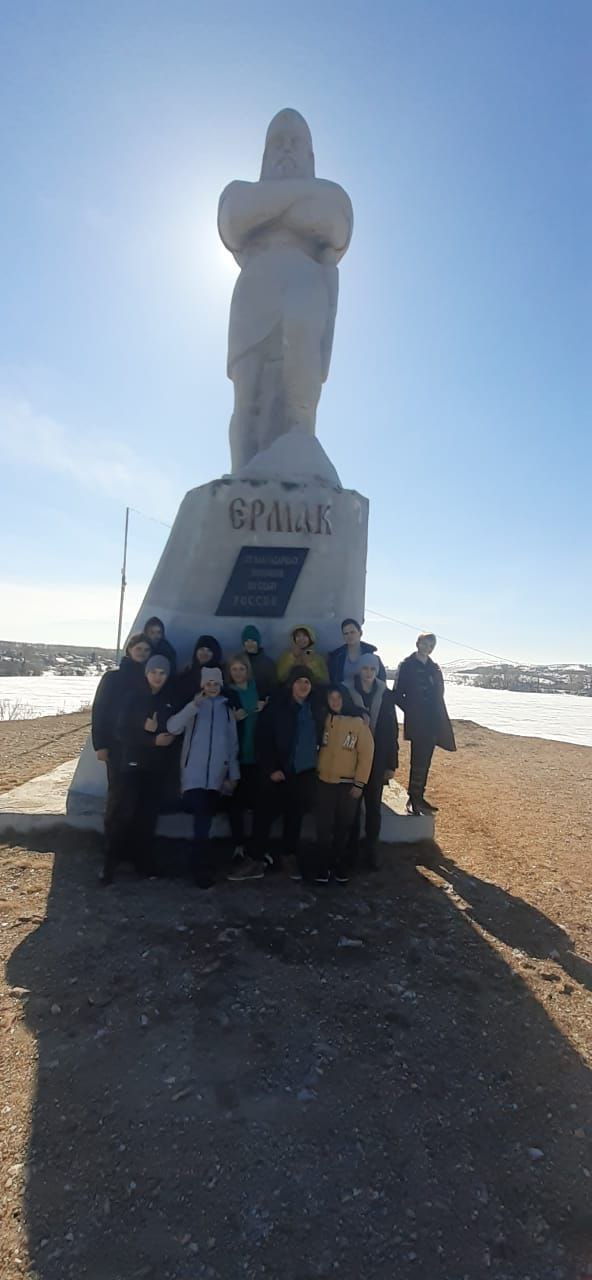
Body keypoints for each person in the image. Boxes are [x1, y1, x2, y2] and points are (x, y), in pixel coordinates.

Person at [218, 107, 354, 471]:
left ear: (311, 157)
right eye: (278, 142)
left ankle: (298, 462)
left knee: (300, 398)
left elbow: (335, 226)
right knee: (247, 400)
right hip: (252, 299)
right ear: (263, 155)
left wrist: (269, 208)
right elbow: (234, 221)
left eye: (296, 143)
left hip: (305, 291)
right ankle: (242, 482)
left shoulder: (333, 196)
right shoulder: (237, 192)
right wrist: (300, 200)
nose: (287, 149)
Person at [228, 667, 321, 883]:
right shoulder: (277, 708)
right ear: (291, 684)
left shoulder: (316, 707)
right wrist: (271, 768)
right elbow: (263, 738)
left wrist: (359, 712)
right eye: (299, 682)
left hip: (305, 772)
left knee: (295, 816)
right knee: (265, 814)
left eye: (307, 682)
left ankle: (289, 855)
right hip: (280, 771)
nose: (303, 686)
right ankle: (256, 858)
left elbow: (341, 703)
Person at [101, 655, 175, 885]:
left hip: (155, 768)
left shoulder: (168, 700)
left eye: (162, 673)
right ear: (146, 673)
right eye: (154, 672)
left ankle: (144, 862)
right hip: (132, 765)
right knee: (124, 814)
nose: (158, 677)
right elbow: (120, 732)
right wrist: (148, 734)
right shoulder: (133, 697)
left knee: (147, 816)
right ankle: (110, 864)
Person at [167, 667, 239, 888]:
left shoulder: (227, 710)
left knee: (205, 823)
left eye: (216, 684)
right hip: (194, 777)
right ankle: (199, 869)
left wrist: (233, 775)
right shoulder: (195, 708)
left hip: (216, 778)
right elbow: (173, 727)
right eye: (208, 684)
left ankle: (200, 864)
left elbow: (232, 745)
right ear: (202, 685)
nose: (213, 688)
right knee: (202, 822)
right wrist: (193, 706)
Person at [92, 633, 152, 838]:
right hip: (116, 746)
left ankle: (132, 848)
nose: (142, 654)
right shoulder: (113, 678)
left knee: (138, 799)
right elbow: (99, 710)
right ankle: (111, 848)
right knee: (118, 798)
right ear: (129, 650)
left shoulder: (149, 677)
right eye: (138, 649)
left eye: (146, 650)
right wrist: (100, 744)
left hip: (140, 746)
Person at [315, 685, 374, 884]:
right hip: (325, 782)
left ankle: (338, 864)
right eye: (331, 697)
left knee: (343, 826)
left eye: (338, 697)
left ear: (345, 698)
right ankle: (322, 865)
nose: (335, 701)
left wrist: (359, 783)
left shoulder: (358, 723)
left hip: (347, 784)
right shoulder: (323, 719)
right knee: (323, 826)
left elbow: (366, 755)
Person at [394, 633, 456, 816]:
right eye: (425, 643)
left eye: (431, 645)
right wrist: (413, 711)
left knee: (426, 760)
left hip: (433, 721)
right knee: (417, 759)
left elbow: (439, 693)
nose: (428, 647)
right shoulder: (406, 666)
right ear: (417, 643)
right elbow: (398, 695)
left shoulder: (434, 668)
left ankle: (419, 796)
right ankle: (413, 798)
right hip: (417, 722)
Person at [348, 654, 399, 868]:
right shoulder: (347, 691)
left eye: (372, 669)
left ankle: (370, 850)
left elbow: (392, 728)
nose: (368, 673)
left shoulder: (385, 694)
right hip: (352, 756)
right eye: (365, 668)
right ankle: (349, 849)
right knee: (352, 805)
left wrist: (391, 763)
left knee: (373, 805)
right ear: (358, 670)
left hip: (377, 757)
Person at [226, 653, 266, 858]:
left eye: (242, 669)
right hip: (237, 755)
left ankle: (257, 846)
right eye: (234, 669)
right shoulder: (227, 693)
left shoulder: (256, 689)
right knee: (236, 804)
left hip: (257, 754)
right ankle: (238, 844)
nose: (238, 673)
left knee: (260, 803)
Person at [328, 618, 386, 685]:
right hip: (343, 694)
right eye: (346, 633)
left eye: (352, 632)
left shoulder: (373, 659)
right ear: (343, 636)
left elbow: (381, 684)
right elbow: (332, 683)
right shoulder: (336, 658)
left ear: (360, 633)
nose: (349, 636)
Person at [173, 634, 224, 707]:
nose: (204, 653)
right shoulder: (186, 674)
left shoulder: (221, 674)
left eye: (209, 650)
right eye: (201, 649)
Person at [240, 625, 277, 700]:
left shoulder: (269, 663)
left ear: (258, 642)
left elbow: (274, 687)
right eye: (247, 641)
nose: (250, 644)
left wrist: (264, 701)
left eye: (253, 641)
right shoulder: (238, 662)